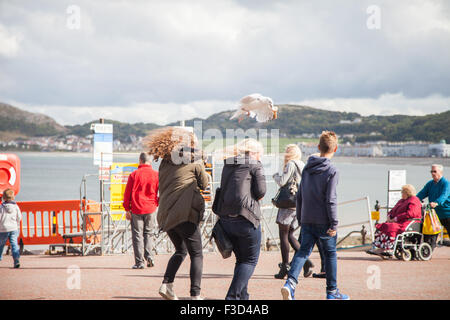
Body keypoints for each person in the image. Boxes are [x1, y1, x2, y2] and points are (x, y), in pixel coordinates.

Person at [281, 131, 349, 300]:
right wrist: (334, 223)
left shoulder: (307, 169)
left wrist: (301, 217)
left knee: (303, 252)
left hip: (307, 219)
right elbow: (331, 199)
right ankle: (332, 292)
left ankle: (290, 283)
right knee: (330, 254)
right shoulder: (332, 170)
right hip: (324, 221)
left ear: (318, 147)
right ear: (336, 149)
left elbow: (300, 196)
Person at [146, 127, 209, 300]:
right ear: (191, 144)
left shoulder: (165, 161)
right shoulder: (194, 160)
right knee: (197, 254)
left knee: (181, 251)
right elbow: (204, 184)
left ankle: (167, 285)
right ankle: (195, 294)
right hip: (185, 214)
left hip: (166, 215)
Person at [215, 138, 266, 300]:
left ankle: (243, 297)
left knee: (241, 260)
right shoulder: (255, 164)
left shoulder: (227, 164)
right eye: (260, 154)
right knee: (250, 260)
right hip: (246, 218)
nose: (260, 158)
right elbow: (261, 191)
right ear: (254, 153)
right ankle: (232, 297)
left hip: (226, 219)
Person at [272, 144, 314, 279]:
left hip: (287, 205)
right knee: (290, 235)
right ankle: (306, 262)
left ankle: (285, 266)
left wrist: (275, 176)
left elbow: (283, 181)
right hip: (299, 205)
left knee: (283, 235)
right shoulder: (303, 164)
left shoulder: (290, 164)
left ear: (289, 153)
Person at [123, 152, 159, 269]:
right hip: (151, 208)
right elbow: (161, 192)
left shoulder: (134, 175)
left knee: (137, 235)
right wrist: (156, 203)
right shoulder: (156, 174)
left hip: (136, 208)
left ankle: (140, 263)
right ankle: (149, 257)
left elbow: (127, 194)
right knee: (149, 233)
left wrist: (127, 209)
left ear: (140, 160)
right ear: (150, 161)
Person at [367, 184, 422, 255]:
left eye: (402, 192)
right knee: (382, 226)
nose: (401, 194)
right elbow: (393, 210)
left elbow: (411, 213)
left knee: (391, 227)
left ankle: (389, 248)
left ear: (407, 192)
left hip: (408, 222)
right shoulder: (401, 201)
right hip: (398, 222)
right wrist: (389, 216)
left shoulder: (414, 200)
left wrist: (396, 218)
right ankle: (380, 248)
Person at [416, 164, 450, 250]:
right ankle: (428, 250)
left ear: (440, 172)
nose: (432, 173)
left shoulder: (446, 184)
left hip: (447, 213)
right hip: (434, 214)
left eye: (435, 171)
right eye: (431, 171)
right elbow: (421, 194)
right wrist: (413, 200)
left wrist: (436, 202)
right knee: (431, 233)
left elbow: (444, 195)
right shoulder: (430, 184)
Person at [0, 189, 22, 268]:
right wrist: (16, 223)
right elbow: (19, 217)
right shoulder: (15, 206)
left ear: (4, 198)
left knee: (1, 245)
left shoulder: (1, 207)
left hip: (3, 229)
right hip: (13, 228)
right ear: (13, 197)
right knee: (14, 244)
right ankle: (16, 260)